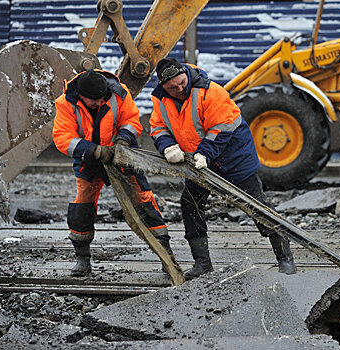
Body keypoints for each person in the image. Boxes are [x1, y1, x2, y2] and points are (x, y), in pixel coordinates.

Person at [149, 58, 296, 280]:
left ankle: (285, 259)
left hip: (234, 158)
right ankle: (202, 263)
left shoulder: (210, 91)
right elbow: (158, 126)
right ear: (163, 86)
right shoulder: (160, 99)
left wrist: (205, 154)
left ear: (186, 75)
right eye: (173, 87)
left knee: (258, 206)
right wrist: (167, 146)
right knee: (191, 205)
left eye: (182, 83)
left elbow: (222, 127)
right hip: (198, 163)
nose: (180, 89)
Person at [53, 69, 172, 277]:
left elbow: (132, 121)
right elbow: (63, 137)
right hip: (88, 159)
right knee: (83, 204)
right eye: (92, 101)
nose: (97, 103)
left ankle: (165, 255)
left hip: (121, 155)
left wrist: (123, 139)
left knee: (143, 200)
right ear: (81, 96)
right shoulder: (65, 103)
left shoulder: (119, 93)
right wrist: (94, 151)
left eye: (100, 99)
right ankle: (83, 258)